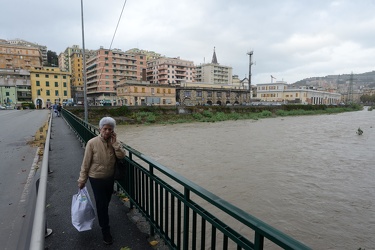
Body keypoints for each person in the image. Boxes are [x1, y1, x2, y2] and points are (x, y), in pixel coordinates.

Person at [77, 117, 126, 245]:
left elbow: (122, 156)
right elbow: (86, 163)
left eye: (110, 129)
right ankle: (106, 231)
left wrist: (115, 144)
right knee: (101, 204)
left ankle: (103, 215)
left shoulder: (114, 142)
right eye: (105, 129)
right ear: (100, 129)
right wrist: (82, 179)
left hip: (110, 177)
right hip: (96, 178)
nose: (107, 131)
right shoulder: (92, 143)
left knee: (107, 200)